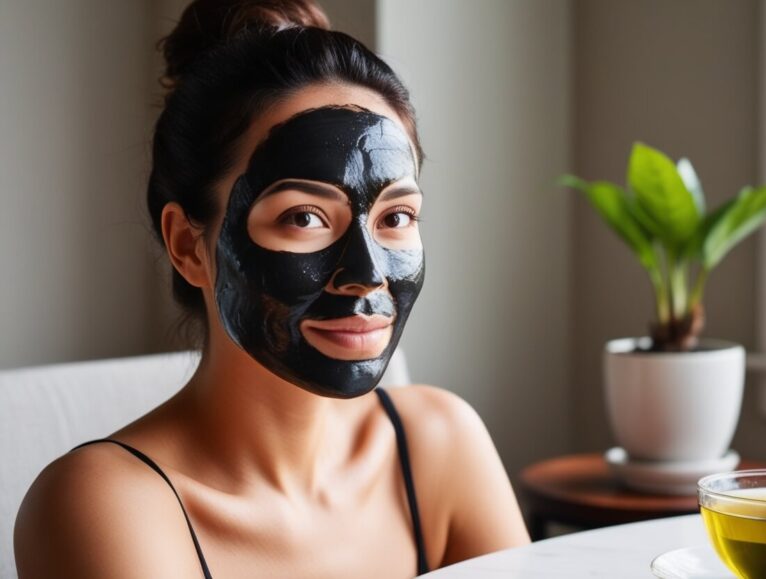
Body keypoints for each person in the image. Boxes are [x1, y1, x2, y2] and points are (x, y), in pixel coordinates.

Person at [13, 1, 530, 577]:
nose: (367, 272)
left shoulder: (439, 441)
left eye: (395, 217)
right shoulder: (107, 504)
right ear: (189, 245)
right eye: (304, 217)